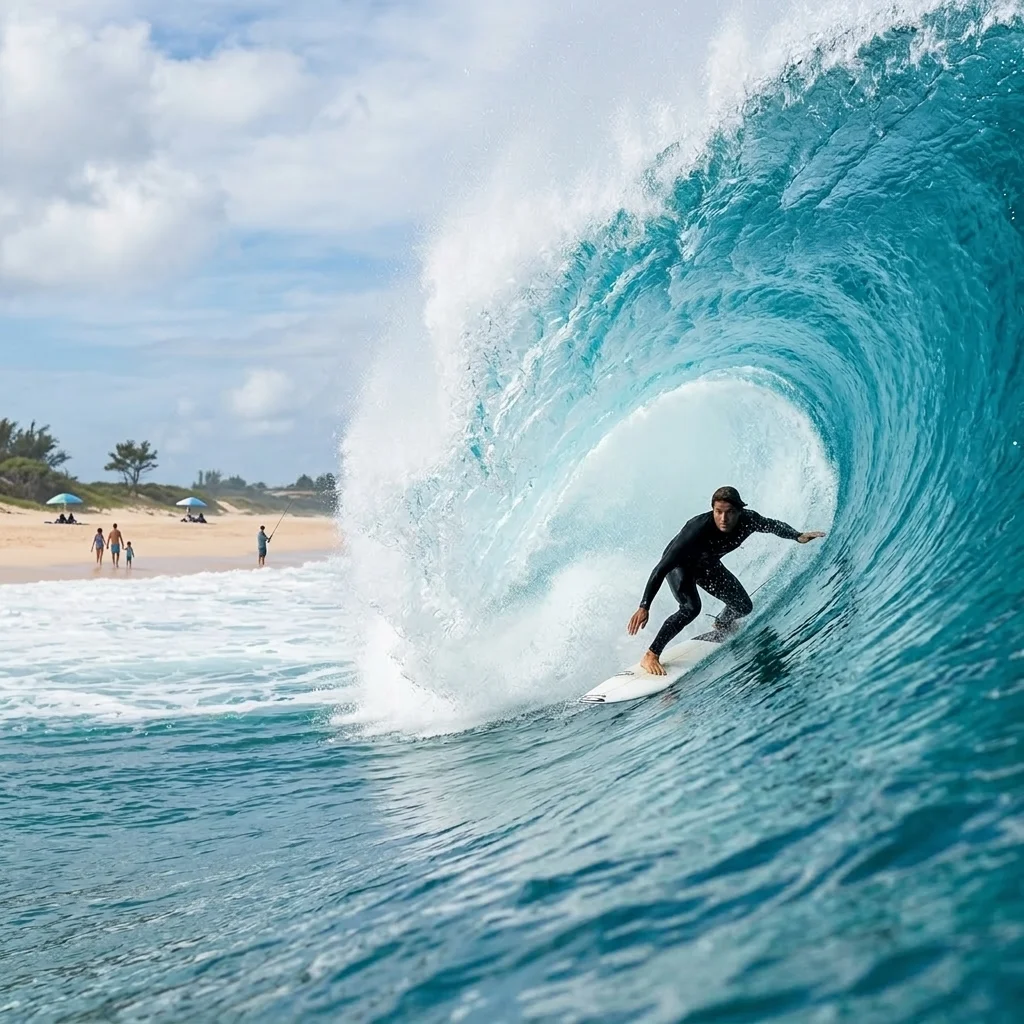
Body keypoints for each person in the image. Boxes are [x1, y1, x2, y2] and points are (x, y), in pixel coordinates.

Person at [627, 486, 826, 675]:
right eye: (718, 511)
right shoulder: (696, 529)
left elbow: (772, 525)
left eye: (729, 512)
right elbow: (660, 568)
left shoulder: (749, 520)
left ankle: (721, 624)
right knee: (690, 608)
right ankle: (651, 654)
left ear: (739, 511)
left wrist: (797, 536)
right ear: (712, 509)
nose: (723, 518)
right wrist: (645, 606)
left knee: (743, 606)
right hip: (680, 567)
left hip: (708, 566)